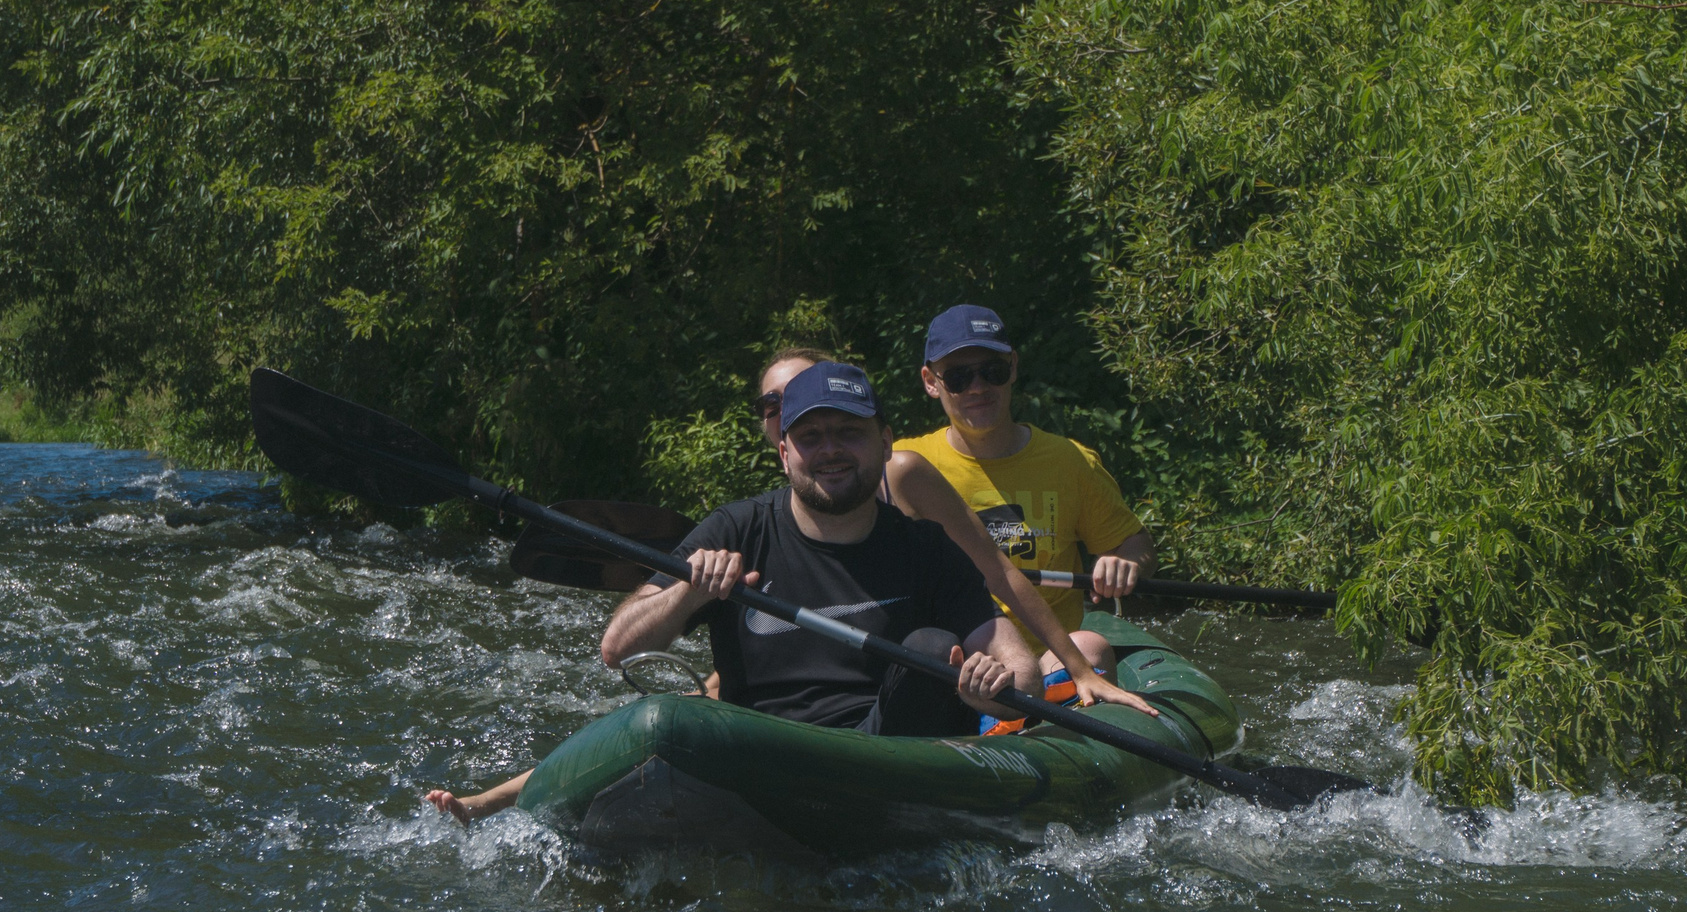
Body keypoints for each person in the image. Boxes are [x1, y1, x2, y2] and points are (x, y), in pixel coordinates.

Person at [429, 363, 1020, 824]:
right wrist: (687, 593)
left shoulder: (927, 547)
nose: (831, 450)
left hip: (884, 762)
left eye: (849, 433)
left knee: (933, 643)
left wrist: (994, 689)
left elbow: (1015, 664)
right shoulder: (738, 528)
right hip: (761, 756)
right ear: (785, 451)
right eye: (810, 436)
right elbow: (618, 647)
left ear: (886, 441)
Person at [754, 346, 1158, 721]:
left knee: (1088, 647)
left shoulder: (903, 472)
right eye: (775, 403)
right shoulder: (765, 518)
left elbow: (997, 570)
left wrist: (1080, 669)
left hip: (943, 671)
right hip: (847, 691)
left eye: (801, 394)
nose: (792, 409)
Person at [894, 305, 1156, 687]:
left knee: (1090, 647)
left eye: (993, 371)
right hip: (954, 659)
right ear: (931, 382)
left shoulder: (1070, 461)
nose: (978, 387)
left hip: (1050, 655)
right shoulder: (905, 468)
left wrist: (1125, 562)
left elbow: (1137, 545)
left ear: (1013, 367)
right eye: (958, 377)